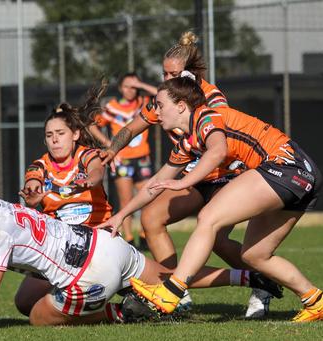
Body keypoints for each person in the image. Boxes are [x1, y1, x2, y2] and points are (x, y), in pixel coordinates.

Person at [0, 161, 282, 326]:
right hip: (105, 245)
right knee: (170, 276)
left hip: (89, 274)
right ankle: (250, 279)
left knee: (38, 316)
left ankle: (123, 312)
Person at [100, 76, 323, 322]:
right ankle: (316, 300)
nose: (157, 111)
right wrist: (121, 216)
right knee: (254, 256)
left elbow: (218, 151)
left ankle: (172, 291)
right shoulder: (187, 144)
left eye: (161, 105)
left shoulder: (208, 116)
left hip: (287, 167)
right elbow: (154, 185)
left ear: (181, 106)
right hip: (301, 175)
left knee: (209, 217)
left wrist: (184, 182)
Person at [98, 31, 273, 318]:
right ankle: (176, 292)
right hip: (193, 177)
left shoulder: (212, 99)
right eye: (164, 72)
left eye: (173, 73)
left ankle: (262, 284)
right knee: (151, 220)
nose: (166, 78)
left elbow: (219, 146)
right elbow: (131, 127)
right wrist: (113, 149)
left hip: (226, 176)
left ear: (190, 74)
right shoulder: (165, 98)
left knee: (216, 237)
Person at [15, 82, 111, 315]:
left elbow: (97, 170)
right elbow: (33, 182)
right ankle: (89, 305)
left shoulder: (86, 155)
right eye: (49, 135)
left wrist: (91, 180)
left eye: (60, 133)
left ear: (76, 134)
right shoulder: (41, 164)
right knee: (24, 303)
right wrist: (32, 195)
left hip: (97, 238)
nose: (55, 140)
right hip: (59, 248)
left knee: (133, 286)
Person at [88, 73, 156, 248]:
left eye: (134, 86)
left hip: (142, 158)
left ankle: (144, 235)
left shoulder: (144, 103)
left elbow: (163, 95)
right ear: (120, 88)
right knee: (125, 201)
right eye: (127, 86)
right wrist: (108, 143)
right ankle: (129, 238)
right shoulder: (112, 107)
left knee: (148, 198)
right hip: (122, 160)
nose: (130, 90)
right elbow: (91, 125)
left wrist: (141, 84)